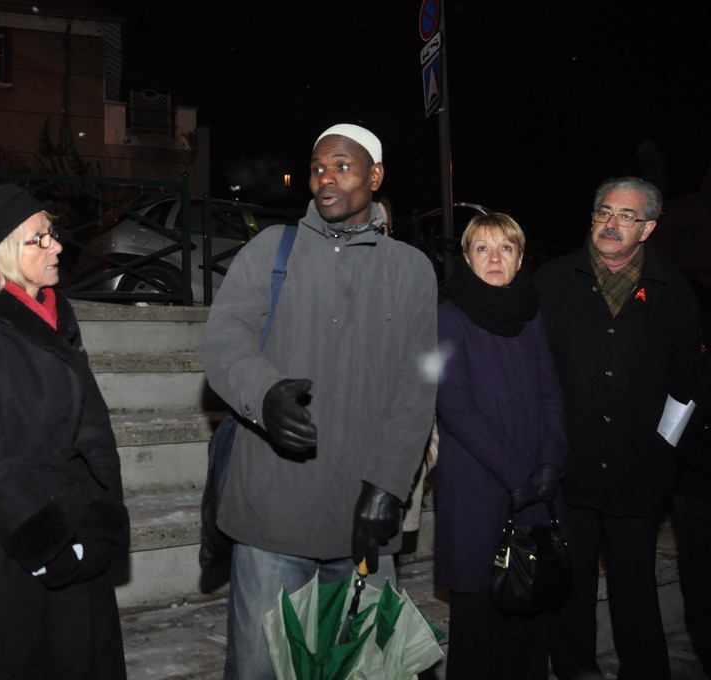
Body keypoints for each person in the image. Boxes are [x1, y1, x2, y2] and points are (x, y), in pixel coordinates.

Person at [201, 123, 438, 679]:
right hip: (271, 514)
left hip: (362, 514)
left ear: (375, 176)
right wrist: (263, 394)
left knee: (366, 670)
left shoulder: (411, 270)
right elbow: (224, 340)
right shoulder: (271, 250)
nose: (325, 178)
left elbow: (418, 387)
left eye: (342, 166)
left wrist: (388, 486)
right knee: (262, 668)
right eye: (317, 168)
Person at [0, 183, 130, 679]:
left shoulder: (61, 317)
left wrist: (104, 520)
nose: (57, 246)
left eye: (52, 234)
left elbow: (94, 427)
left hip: (76, 518)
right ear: (3, 251)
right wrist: (44, 542)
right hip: (8, 538)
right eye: (41, 237)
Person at [536, 176, 702, 680]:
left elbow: (686, 385)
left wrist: (662, 449)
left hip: (639, 474)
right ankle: (576, 671)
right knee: (572, 589)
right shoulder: (551, 282)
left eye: (625, 216)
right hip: (569, 470)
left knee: (635, 589)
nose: (610, 224)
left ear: (648, 227)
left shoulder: (674, 292)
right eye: (603, 212)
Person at [433, 212, 567, 679]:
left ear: (520, 258)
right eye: (483, 248)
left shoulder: (531, 315)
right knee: (478, 633)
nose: (495, 257)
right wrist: (522, 475)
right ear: (467, 259)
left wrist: (552, 461)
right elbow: (456, 407)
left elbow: (552, 392)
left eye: (506, 248)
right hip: (478, 489)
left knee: (530, 626)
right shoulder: (447, 318)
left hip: (534, 491)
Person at [673, 332, 711, 675]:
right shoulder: (700, 364)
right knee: (700, 578)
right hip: (697, 490)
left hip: (695, 486)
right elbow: (676, 431)